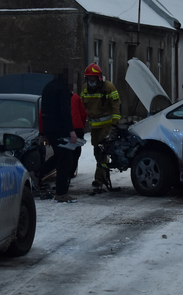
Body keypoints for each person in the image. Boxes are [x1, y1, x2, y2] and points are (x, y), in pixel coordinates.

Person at [39, 71, 79, 203]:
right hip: (60, 128)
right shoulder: (63, 89)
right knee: (65, 158)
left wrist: (44, 132)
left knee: (58, 156)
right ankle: (61, 193)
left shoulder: (48, 87)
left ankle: (37, 173)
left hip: (49, 128)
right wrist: (71, 131)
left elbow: (43, 110)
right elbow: (65, 111)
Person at [81, 63, 121, 189]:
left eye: (92, 79)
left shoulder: (109, 87)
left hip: (106, 127)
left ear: (99, 77)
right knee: (96, 152)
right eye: (89, 79)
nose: (90, 82)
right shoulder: (85, 89)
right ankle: (104, 175)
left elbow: (116, 106)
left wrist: (114, 125)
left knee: (101, 151)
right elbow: (81, 107)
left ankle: (99, 178)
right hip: (94, 128)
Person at [70, 89, 87, 177]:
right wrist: (81, 126)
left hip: (64, 129)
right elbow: (83, 114)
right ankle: (71, 171)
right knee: (76, 152)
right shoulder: (76, 97)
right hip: (77, 128)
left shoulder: (56, 98)